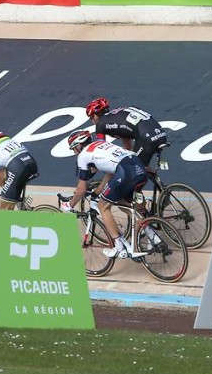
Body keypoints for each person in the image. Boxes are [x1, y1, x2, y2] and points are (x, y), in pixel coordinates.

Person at [63, 130, 150, 259]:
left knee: (103, 205)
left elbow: (82, 188)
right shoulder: (100, 144)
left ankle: (118, 245)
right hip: (138, 166)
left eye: (73, 148)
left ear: (79, 145)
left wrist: (69, 205)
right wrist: (98, 191)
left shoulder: (83, 156)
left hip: (125, 171)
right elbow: (110, 172)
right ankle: (151, 233)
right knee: (122, 203)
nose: (74, 152)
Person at [84, 97, 170, 169]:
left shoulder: (101, 124)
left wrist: (94, 165)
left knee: (134, 169)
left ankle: (137, 189)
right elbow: (125, 135)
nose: (92, 120)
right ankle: (158, 185)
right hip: (160, 134)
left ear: (96, 115)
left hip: (147, 138)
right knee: (139, 165)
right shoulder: (117, 114)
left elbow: (100, 147)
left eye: (91, 117)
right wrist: (127, 150)